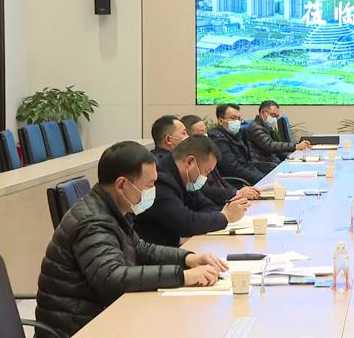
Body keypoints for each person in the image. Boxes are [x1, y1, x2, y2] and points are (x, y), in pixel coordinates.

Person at [35, 142, 228, 338]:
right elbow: (112, 278)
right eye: (149, 185)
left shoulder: (111, 209)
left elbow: (141, 248)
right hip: (78, 328)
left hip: (100, 315)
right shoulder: (93, 222)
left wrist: (187, 258)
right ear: (121, 185)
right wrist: (183, 277)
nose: (153, 190)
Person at [134, 136, 249, 247]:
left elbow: (208, 206)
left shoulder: (185, 179)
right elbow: (186, 223)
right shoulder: (160, 180)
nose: (205, 177)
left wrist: (199, 220)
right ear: (189, 162)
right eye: (206, 172)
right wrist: (225, 216)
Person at [181, 114, 259, 206]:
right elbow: (202, 191)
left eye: (205, 131)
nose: (205, 136)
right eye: (200, 133)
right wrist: (235, 194)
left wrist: (237, 193)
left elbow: (220, 181)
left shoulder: (207, 153)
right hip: (215, 204)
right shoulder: (189, 161)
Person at [246, 100, 310, 173]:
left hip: (271, 163)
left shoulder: (266, 127)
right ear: (263, 113)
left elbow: (277, 148)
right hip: (262, 166)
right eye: (273, 115)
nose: (275, 119)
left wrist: (292, 156)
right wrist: (295, 146)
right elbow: (270, 145)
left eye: (277, 116)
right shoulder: (255, 127)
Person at [208, 104, 266, 185]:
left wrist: (263, 177)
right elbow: (232, 168)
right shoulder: (218, 139)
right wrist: (261, 179)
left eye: (238, 119)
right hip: (235, 183)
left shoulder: (235, 135)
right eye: (233, 118)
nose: (237, 122)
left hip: (247, 178)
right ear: (221, 121)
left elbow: (246, 163)